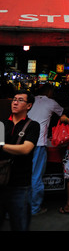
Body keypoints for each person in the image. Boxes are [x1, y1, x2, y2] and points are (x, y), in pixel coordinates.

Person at [0, 91, 40, 231]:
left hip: (20, 185)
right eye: (14, 100)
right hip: (1, 182)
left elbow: (26, 149)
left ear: (28, 105)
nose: (15, 102)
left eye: (20, 100)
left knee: (20, 225)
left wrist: (2, 146)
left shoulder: (33, 126)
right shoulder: (2, 124)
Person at [28, 83, 64, 215]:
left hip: (24, 143)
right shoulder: (51, 102)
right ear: (49, 92)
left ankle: (15, 208)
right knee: (36, 176)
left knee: (22, 175)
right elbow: (63, 114)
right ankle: (34, 208)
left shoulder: (30, 100)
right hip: (38, 143)